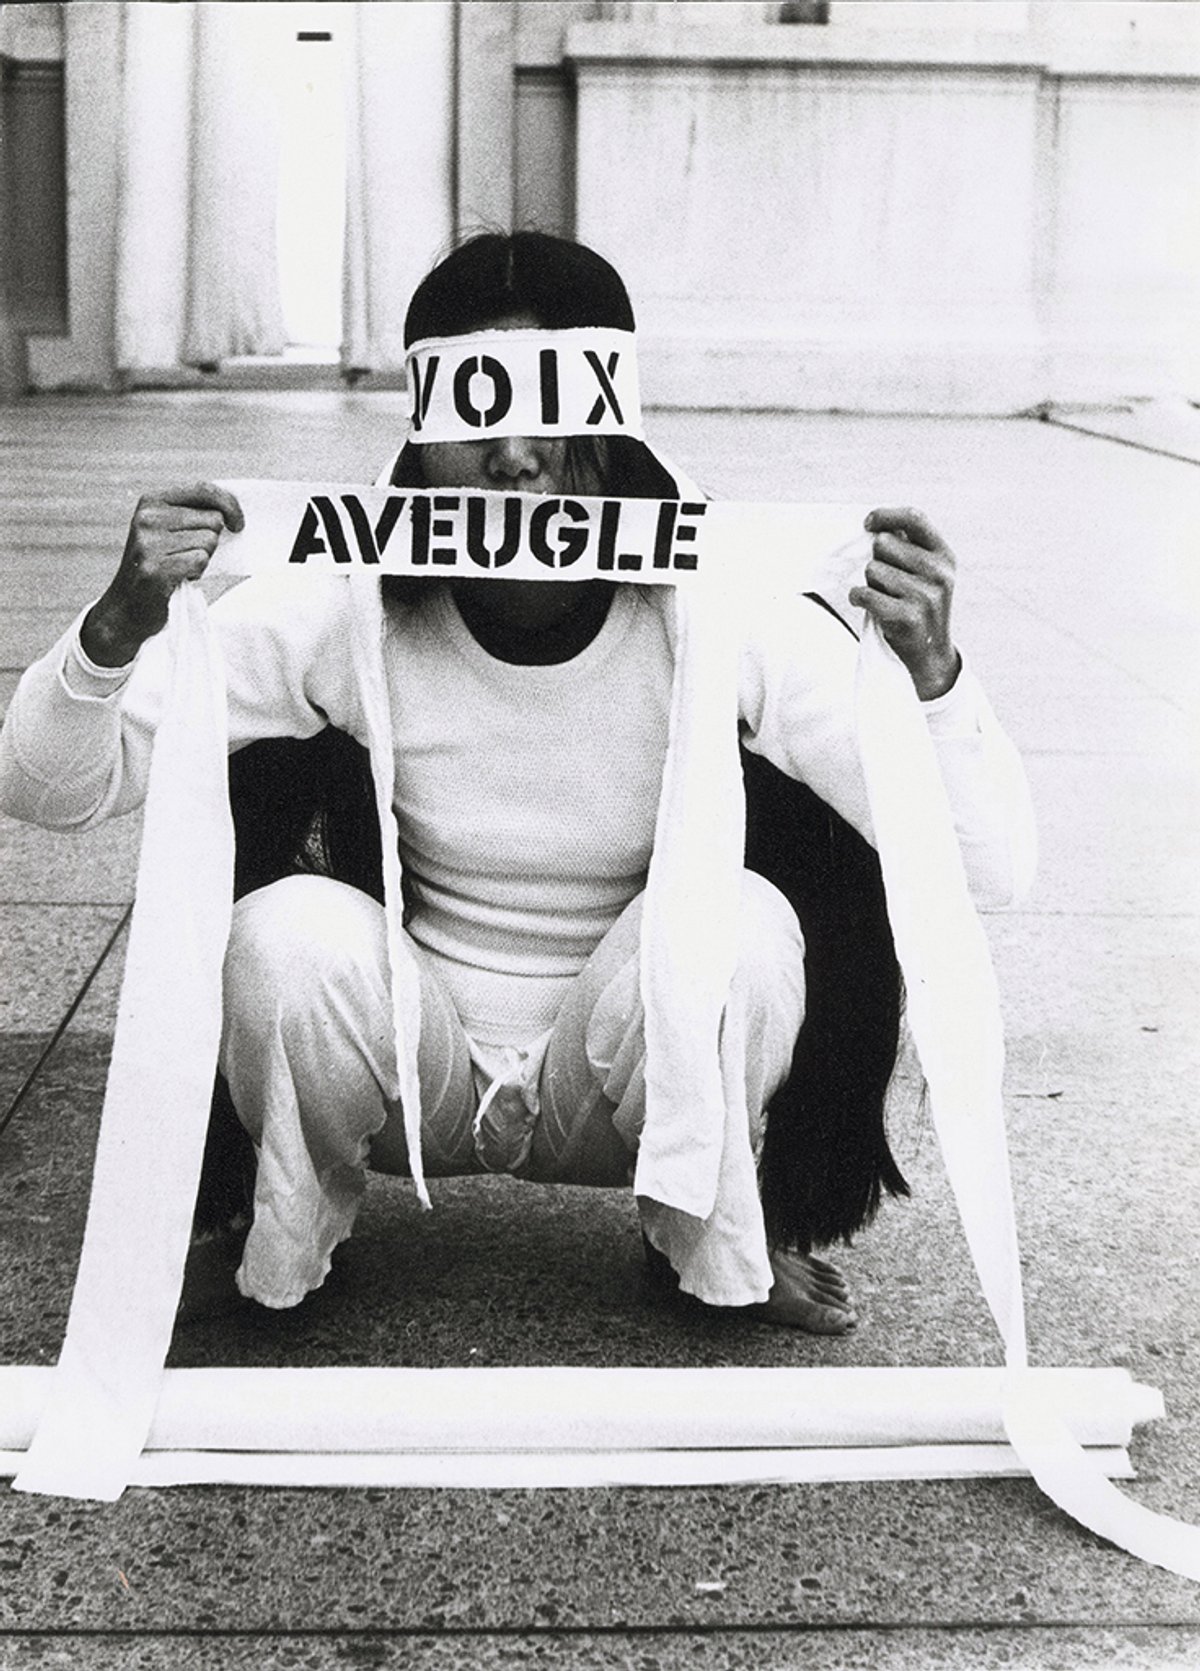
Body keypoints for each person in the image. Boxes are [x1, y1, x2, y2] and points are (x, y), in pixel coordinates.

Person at [0, 231, 1034, 1334]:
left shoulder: (727, 604)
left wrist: (934, 684)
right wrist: (113, 632)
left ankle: (708, 1235)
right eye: (475, 420)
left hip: (627, 1076)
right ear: (419, 431)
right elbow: (52, 789)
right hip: (411, 1068)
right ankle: (287, 1234)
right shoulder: (346, 598)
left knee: (740, 927)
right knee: (281, 934)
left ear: (616, 421)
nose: (514, 460)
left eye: (554, 415)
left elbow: (987, 866)